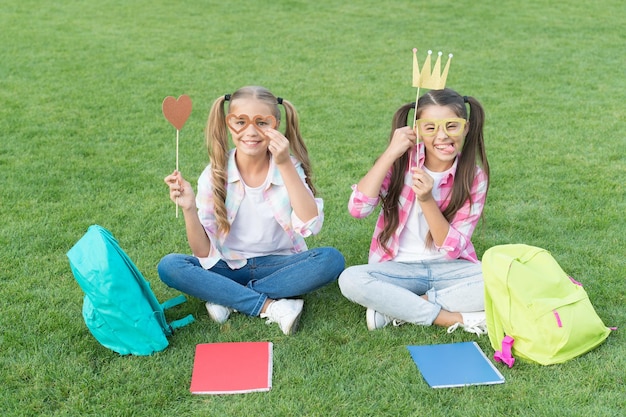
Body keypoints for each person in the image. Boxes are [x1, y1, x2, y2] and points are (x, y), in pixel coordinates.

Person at [158, 86, 345, 335]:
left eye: (262, 123)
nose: (251, 132)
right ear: (228, 123)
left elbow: (311, 224)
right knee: (170, 266)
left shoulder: (290, 167)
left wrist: (284, 163)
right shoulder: (214, 174)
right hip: (226, 266)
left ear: (276, 124)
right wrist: (189, 208)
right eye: (241, 122)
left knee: (331, 260)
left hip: (280, 266)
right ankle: (269, 306)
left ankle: (227, 296)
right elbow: (202, 252)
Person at [338, 88, 490, 335]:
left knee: (508, 278)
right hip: (398, 268)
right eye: (430, 128)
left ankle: (397, 307)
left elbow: (451, 248)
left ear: (466, 127)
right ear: (417, 129)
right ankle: (451, 317)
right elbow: (358, 209)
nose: (442, 136)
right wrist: (390, 153)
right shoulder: (400, 162)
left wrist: (427, 200)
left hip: (450, 269)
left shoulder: (474, 177)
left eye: (451, 125)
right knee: (350, 279)